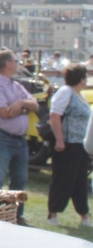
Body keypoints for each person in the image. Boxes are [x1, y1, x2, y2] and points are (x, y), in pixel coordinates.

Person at [0, 48, 40, 225]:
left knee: (19, 180)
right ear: (8, 64)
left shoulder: (16, 86)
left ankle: (17, 216)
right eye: (15, 61)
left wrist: (21, 104)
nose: (17, 64)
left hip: (20, 141)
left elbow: (35, 105)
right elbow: (4, 113)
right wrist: (25, 109)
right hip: (3, 138)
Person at [47, 63, 92, 227]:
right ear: (80, 78)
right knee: (63, 178)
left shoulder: (79, 94)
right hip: (67, 143)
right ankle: (53, 213)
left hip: (80, 144)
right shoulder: (66, 92)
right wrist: (60, 139)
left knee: (80, 180)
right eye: (85, 76)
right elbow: (55, 115)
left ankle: (84, 214)